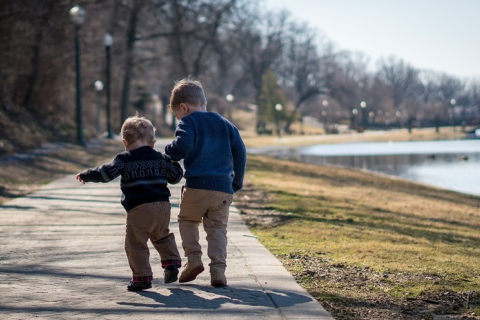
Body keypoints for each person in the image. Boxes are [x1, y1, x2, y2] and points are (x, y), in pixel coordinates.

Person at [76, 115, 183, 292]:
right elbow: (175, 177)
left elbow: (106, 174)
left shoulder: (124, 159)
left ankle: (142, 277)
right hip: (163, 207)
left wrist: (87, 175)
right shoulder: (160, 158)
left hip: (139, 208)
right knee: (162, 235)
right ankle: (171, 264)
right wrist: (174, 162)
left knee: (136, 243)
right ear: (152, 142)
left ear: (125, 142)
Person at [165, 77, 247, 287]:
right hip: (223, 188)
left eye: (177, 115)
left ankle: (193, 260)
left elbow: (181, 148)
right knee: (218, 229)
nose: (178, 118)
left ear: (184, 107)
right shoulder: (225, 123)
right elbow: (240, 151)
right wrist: (236, 182)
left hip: (197, 186)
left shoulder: (188, 122)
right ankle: (218, 272)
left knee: (187, 220)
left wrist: (169, 151)